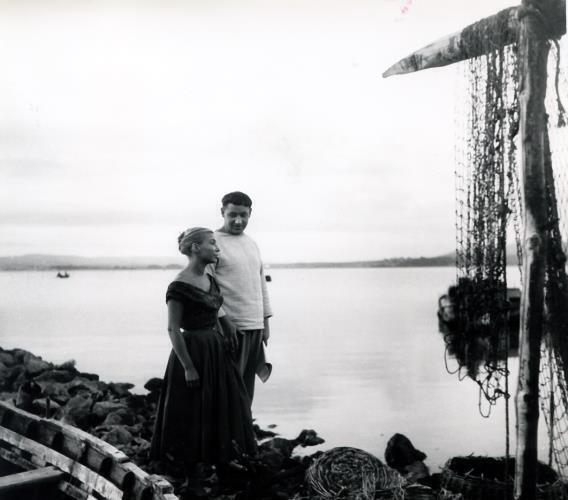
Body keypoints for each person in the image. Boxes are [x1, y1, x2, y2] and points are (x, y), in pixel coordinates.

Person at [150, 227, 256, 479]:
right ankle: (192, 471)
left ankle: (222, 459)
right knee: (194, 408)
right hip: (193, 351)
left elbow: (215, 308)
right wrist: (188, 366)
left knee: (224, 402)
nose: (217, 248)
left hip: (215, 349)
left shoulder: (210, 279)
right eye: (212, 243)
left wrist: (227, 326)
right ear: (196, 248)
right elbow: (173, 328)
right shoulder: (179, 284)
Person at [209, 191, 273, 404]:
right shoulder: (212, 242)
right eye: (232, 214)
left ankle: (244, 425)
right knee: (228, 390)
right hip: (230, 329)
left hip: (255, 327)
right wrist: (224, 322)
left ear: (250, 213)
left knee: (246, 392)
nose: (238, 221)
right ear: (222, 212)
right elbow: (206, 289)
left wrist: (265, 323)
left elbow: (261, 284)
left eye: (243, 215)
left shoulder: (251, 243)